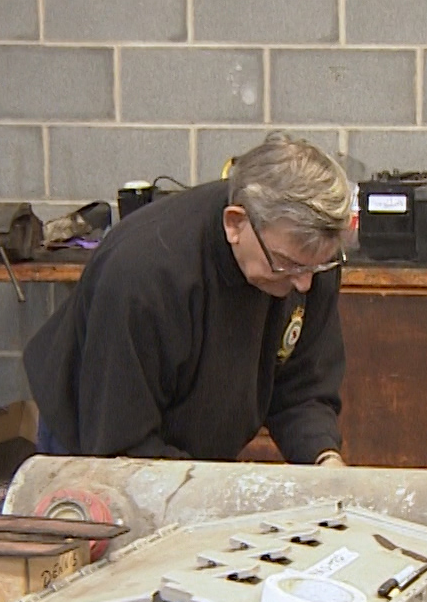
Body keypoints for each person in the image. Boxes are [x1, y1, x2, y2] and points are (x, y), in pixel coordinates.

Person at [25, 135, 352, 465]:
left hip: (190, 435)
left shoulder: (308, 257)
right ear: (235, 224)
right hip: (98, 433)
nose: (304, 283)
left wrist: (324, 460)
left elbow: (302, 389)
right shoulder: (143, 278)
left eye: (317, 266)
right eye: (287, 264)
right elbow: (122, 446)